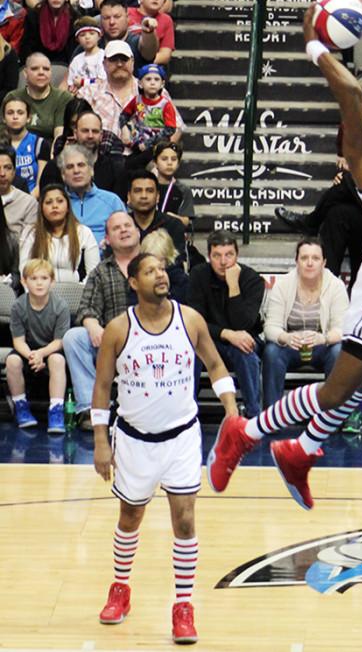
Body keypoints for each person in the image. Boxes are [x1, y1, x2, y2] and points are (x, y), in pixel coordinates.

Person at [206, 4, 362, 509]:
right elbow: (349, 92)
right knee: (334, 392)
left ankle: (301, 450)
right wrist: (316, 45)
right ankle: (245, 432)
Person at [92, 253, 237, 645]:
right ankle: (120, 588)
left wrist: (232, 412)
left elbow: (216, 365)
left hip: (181, 437)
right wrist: (100, 440)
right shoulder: (118, 329)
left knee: (185, 521)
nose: (161, 275)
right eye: (150, 271)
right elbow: (102, 387)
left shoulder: (190, 319)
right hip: (135, 438)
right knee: (129, 517)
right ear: (134, 282)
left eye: (162, 269)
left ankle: (183, 606)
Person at [62, 211, 141, 428]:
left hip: (149, 341)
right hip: (112, 344)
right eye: (116, 228)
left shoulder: (153, 265)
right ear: (106, 239)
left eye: (127, 225)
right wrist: (92, 324)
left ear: (138, 232)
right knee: (74, 337)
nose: (124, 230)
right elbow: (86, 308)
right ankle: (92, 408)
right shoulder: (100, 272)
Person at [261, 236, 347, 410]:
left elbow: (343, 329)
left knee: (338, 351)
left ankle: (331, 416)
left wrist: (323, 338)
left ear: (324, 262)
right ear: (296, 261)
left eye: (315, 258)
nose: (310, 263)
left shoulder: (336, 286)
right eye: (304, 258)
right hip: (290, 345)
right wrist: (286, 337)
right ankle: (271, 415)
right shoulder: (282, 285)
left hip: (322, 344)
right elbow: (270, 327)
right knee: (271, 351)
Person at [187, 230, 264, 416]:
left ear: (237, 255)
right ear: (208, 257)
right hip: (208, 340)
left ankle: (253, 414)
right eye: (217, 256)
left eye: (229, 255)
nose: (223, 262)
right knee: (192, 349)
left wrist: (234, 286)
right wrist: (227, 333)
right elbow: (194, 322)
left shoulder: (252, 279)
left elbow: (244, 323)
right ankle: (188, 411)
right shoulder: (198, 275)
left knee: (245, 351)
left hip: (244, 339)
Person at [6, 257, 69, 431]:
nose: (39, 283)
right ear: (24, 281)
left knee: (57, 359)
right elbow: (18, 341)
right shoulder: (18, 306)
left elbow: (59, 341)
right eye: (33, 279)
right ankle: (21, 406)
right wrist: (33, 356)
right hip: (27, 352)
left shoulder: (60, 306)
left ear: (52, 282)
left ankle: (56, 409)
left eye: (44, 278)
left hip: (50, 351)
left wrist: (42, 353)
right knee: (12, 361)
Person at [19, 183, 99, 283]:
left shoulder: (83, 232)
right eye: (48, 202)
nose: (55, 206)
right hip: (39, 293)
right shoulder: (30, 233)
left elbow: (93, 272)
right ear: (41, 209)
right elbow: (24, 270)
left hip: (75, 292)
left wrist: (82, 294)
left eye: (60, 201)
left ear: (68, 207)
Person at [59, 144, 127, 244]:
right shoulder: (57, 202)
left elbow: (124, 236)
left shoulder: (112, 201)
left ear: (91, 170)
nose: (76, 171)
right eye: (70, 167)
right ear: (63, 175)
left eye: (81, 165)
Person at [6, 52, 72, 140]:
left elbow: (59, 136)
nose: (41, 72)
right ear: (25, 73)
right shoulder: (12, 97)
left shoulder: (63, 97)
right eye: (35, 69)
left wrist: (53, 153)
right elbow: (4, 131)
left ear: (50, 72)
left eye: (46, 69)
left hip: (49, 149)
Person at [119, 64, 177, 161]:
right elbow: (123, 116)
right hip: (138, 144)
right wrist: (124, 128)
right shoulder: (137, 100)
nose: (152, 83)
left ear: (162, 84)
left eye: (156, 79)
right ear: (140, 83)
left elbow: (170, 129)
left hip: (157, 147)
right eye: (148, 79)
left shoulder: (166, 104)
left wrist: (148, 143)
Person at [126, 171, 186, 265]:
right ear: (129, 196)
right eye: (138, 191)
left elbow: (177, 263)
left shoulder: (173, 225)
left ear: (158, 196)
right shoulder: (122, 227)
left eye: (149, 191)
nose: (144, 196)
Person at [19, 0, 80, 64]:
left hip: (67, 68)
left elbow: (74, 53)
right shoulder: (33, 16)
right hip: (38, 67)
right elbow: (26, 49)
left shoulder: (75, 18)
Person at [3, 96, 47, 193]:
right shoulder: (1, 144)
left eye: (20, 113)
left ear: (28, 118)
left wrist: (25, 203)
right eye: (10, 113)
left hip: (30, 201)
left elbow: (41, 184)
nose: (15, 117)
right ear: (3, 118)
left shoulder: (39, 144)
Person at [127, 0, 175, 66]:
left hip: (149, 66)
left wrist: (140, 62)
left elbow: (165, 55)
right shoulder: (127, 13)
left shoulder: (166, 20)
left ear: (164, 2)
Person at [152, 140, 194, 229]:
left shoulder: (183, 190)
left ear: (178, 164)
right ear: (155, 163)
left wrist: (170, 218)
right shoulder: (148, 187)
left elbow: (186, 221)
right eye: (164, 159)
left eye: (174, 159)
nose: (169, 163)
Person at [0, 145, 38, 238]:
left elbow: (30, 244)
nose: (2, 173)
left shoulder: (29, 203)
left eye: (7, 168)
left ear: (14, 172)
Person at [140, 229, 187, 302]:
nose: (154, 264)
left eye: (159, 260)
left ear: (168, 258)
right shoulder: (140, 278)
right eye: (150, 260)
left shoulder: (180, 280)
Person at [67, 18, 106, 91]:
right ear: (77, 39)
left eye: (92, 33)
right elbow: (71, 83)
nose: (87, 37)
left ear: (99, 36)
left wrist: (83, 82)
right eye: (82, 35)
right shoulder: (76, 60)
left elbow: (103, 81)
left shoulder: (104, 56)